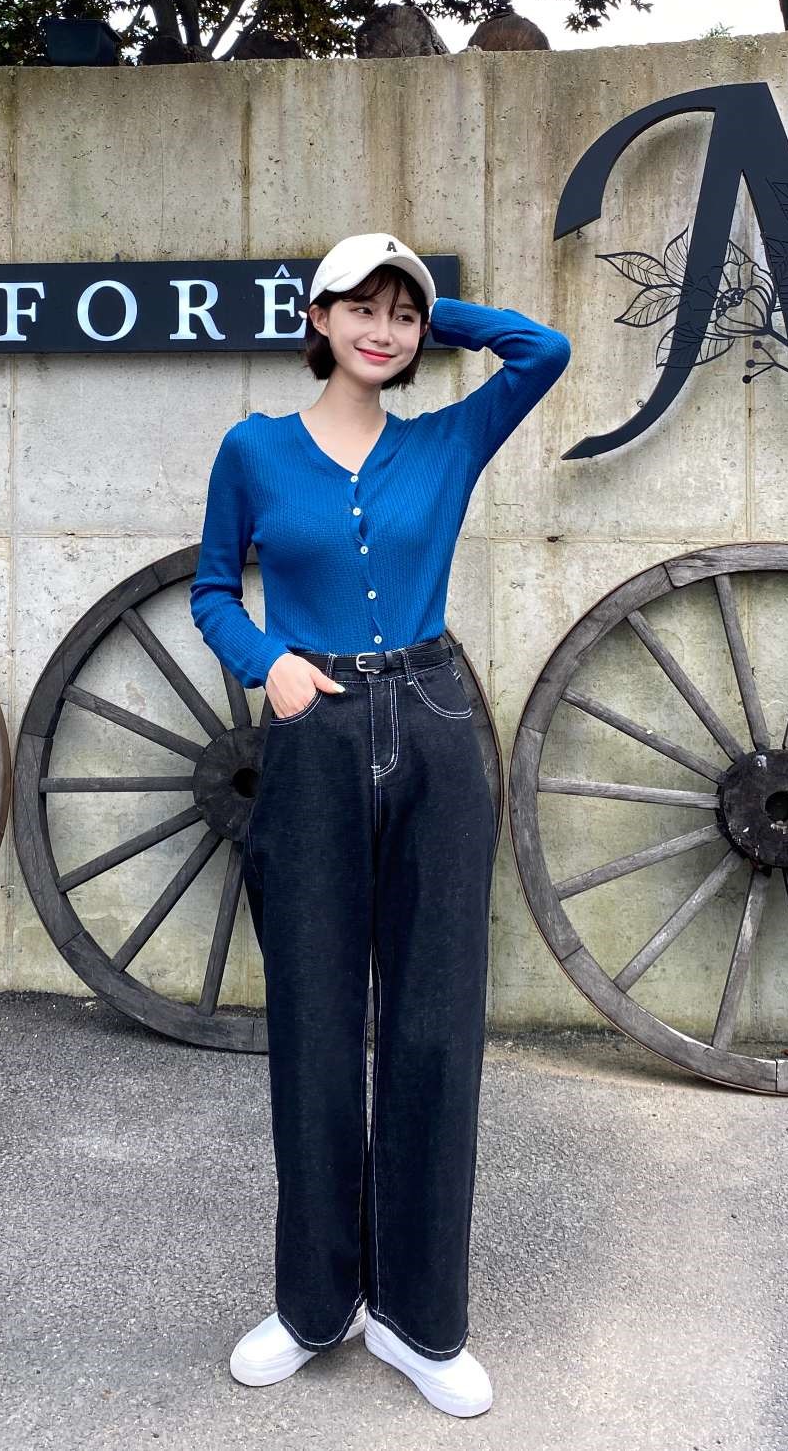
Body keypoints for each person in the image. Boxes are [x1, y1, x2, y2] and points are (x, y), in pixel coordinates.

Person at [189, 233, 570, 1417]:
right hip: (312, 729)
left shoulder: (445, 440)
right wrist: (267, 664)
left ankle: (418, 1318)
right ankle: (315, 1304)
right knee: (311, 1021)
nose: (383, 328)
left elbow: (541, 349)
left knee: (433, 1027)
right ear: (315, 315)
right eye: (359, 306)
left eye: (400, 314)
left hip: (435, 725)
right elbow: (212, 588)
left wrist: (430, 311)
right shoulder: (252, 449)